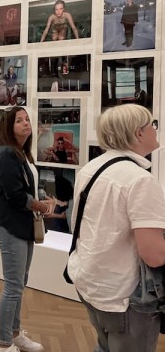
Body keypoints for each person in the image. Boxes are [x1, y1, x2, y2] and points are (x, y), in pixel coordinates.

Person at [66, 104, 165, 352]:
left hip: (90, 281)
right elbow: (153, 254)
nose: (155, 130)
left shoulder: (91, 168)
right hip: (123, 295)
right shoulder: (139, 180)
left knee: (105, 345)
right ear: (138, 133)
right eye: (152, 125)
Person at [0, 106, 56, 352]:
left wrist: (40, 200)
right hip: (11, 226)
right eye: (19, 120)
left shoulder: (20, 153)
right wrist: (40, 205)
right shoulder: (7, 154)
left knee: (20, 283)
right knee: (13, 286)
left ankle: (15, 333)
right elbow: (15, 195)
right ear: (9, 126)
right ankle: (4, 343)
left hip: (23, 225)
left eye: (27, 119)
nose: (26, 124)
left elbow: (27, 188)